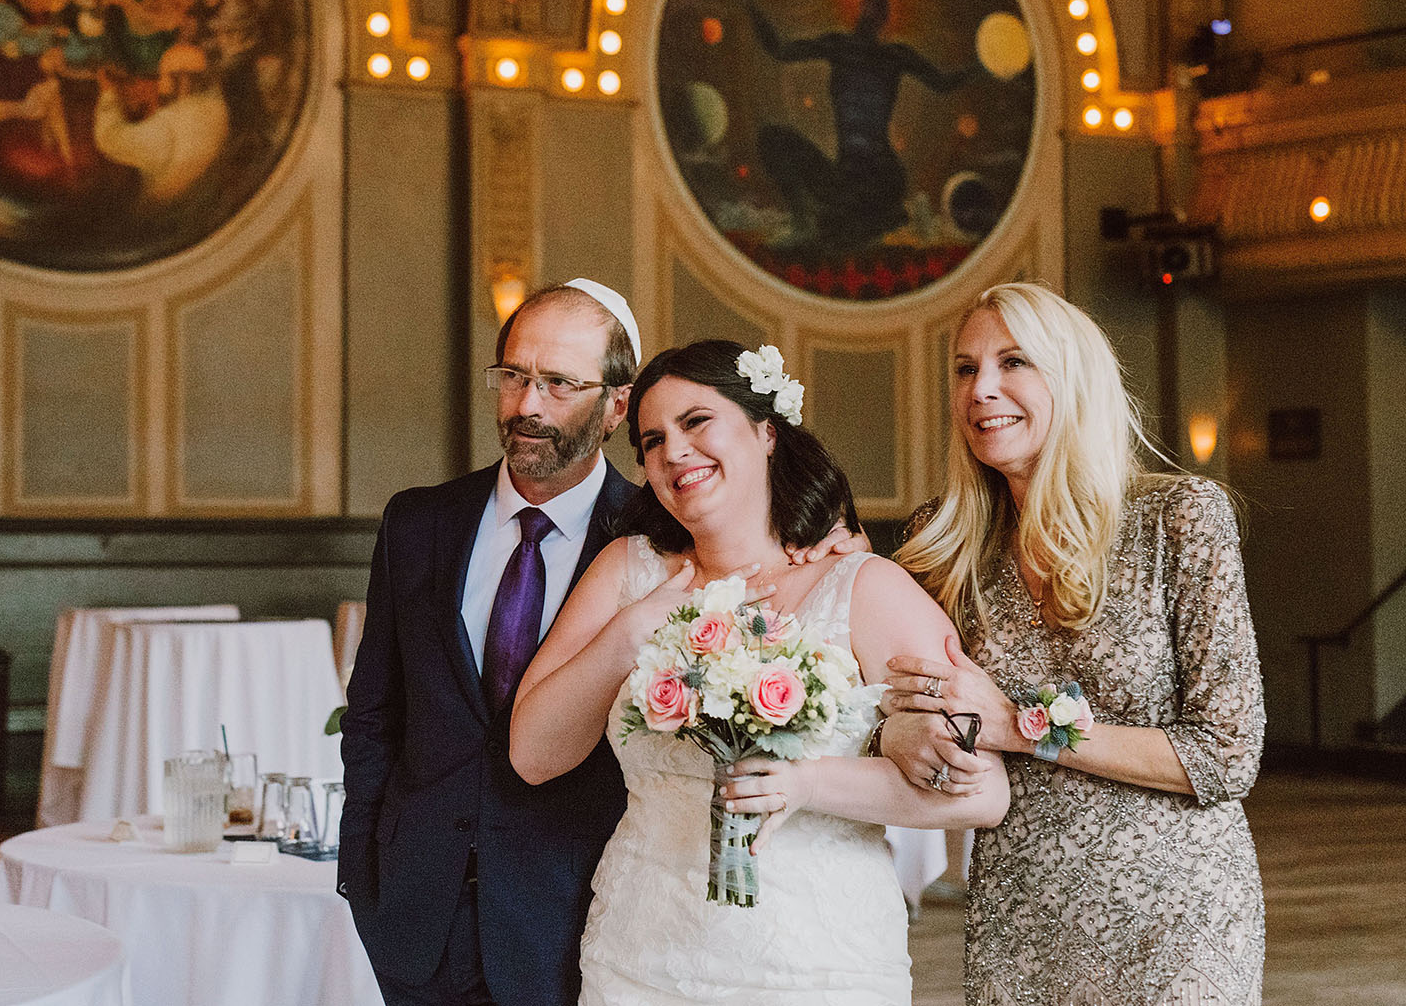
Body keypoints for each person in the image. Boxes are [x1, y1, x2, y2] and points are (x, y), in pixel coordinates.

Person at [338, 284, 857, 1005]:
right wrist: (361, 874)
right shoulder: (417, 522)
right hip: (415, 913)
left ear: (617, 406)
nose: (526, 405)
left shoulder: (659, 542)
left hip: (570, 914)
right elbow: (373, 715)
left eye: (558, 383)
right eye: (514, 376)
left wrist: (822, 538)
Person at [510, 340, 1008, 1005]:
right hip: (641, 955)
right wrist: (633, 629)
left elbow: (982, 794)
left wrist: (806, 784)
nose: (673, 452)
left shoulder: (864, 587)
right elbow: (533, 755)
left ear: (767, 431)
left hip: (817, 963)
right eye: (653, 440)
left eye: (696, 422)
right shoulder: (627, 572)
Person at [881, 281, 1266, 1005]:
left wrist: (1019, 729)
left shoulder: (1179, 519)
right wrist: (901, 731)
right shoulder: (942, 543)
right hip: (1019, 915)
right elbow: (899, 703)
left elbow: (1228, 752)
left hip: (1178, 915)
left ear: (1072, 378)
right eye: (965, 369)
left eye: (1013, 362)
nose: (982, 389)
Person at [744, 0, 973, 249]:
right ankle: (808, 222)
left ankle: (873, 219)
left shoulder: (894, 55)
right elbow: (780, 50)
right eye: (869, 7)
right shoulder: (840, 46)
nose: (871, 14)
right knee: (772, 138)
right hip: (847, 180)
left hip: (883, 181)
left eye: (878, 10)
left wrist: (984, 65)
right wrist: (749, 1)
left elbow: (943, 82)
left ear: (883, 19)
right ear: (860, 9)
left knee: (836, 234)